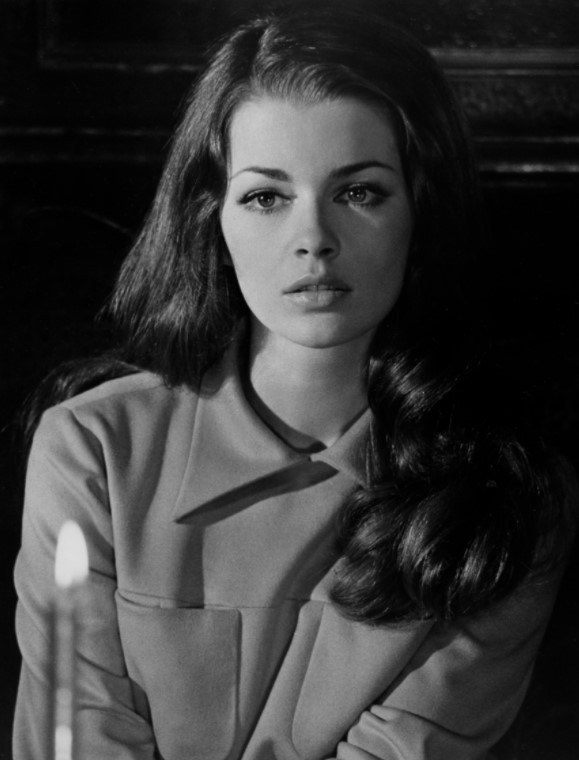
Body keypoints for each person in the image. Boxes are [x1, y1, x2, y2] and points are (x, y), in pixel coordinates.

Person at [12, 6, 577, 760]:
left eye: (359, 192)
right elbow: (75, 737)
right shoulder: (92, 449)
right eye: (266, 197)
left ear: (423, 209)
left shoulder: (510, 491)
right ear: (213, 219)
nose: (313, 239)